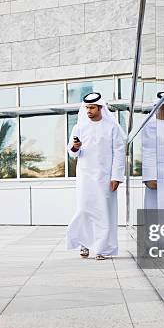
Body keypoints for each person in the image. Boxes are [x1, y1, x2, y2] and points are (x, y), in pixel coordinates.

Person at [66, 92, 126, 260]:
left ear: (100, 108)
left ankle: (102, 249)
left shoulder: (112, 127)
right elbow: (72, 152)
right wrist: (75, 147)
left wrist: (117, 176)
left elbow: (119, 153)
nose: (89, 111)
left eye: (92, 107)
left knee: (103, 212)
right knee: (84, 210)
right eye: (87, 107)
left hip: (105, 177)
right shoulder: (78, 127)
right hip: (85, 176)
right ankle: (84, 244)